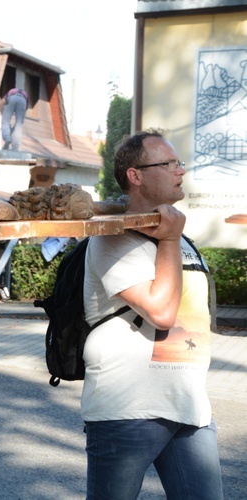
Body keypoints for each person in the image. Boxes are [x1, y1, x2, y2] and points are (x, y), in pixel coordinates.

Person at [82, 130, 223, 499]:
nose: (181, 171)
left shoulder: (175, 234)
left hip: (188, 403)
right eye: (170, 163)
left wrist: (173, 238)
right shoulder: (113, 237)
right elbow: (161, 311)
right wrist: (172, 240)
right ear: (136, 175)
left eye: (180, 163)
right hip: (128, 406)